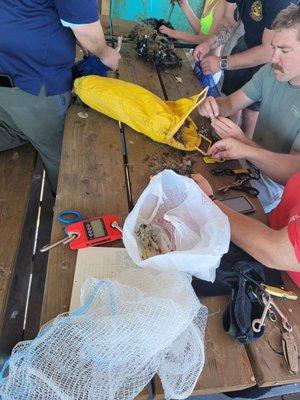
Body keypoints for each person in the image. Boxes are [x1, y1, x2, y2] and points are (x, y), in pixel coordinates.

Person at [0, 0, 120, 193]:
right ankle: (67, 208)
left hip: (7, 70)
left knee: (14, 128)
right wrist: (106, 54)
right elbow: (87, 30)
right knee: (67, 155)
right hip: (33, 81)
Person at [198, 4, 300, 213]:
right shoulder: (270, 73)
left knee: (206, 210)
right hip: (248, 167)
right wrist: (212, 104)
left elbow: (293, 174)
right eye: (274, 48)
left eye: (285, 51)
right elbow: (231, 103)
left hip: (276, 193)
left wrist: (244, 143)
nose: (273, 58)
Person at [193, 0, 297, 137]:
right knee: (234, 96)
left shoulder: (278, 3)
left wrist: (222, 63)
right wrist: (208, 44)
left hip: (268, 54)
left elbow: (268, 51)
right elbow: (229, 21)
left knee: (250, 113)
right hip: (249, 43)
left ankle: (245, 147)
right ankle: (230, 135)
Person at [191, 165, 300, 283]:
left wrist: (209, 202)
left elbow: (277, 252)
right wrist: (246, 150)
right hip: (264, 227)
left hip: (281, 276)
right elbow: (294, 169)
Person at [159, 0, 225, 51]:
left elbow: (209, 40)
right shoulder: (213, 1)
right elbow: (201, 31)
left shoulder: (223, 4)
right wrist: (184, 4)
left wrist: (175, 33)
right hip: (198, 56)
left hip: (209, 64)